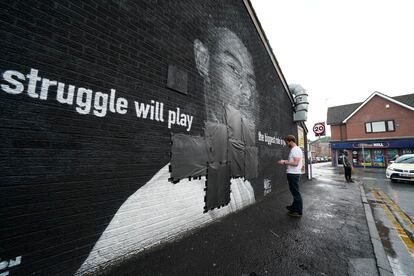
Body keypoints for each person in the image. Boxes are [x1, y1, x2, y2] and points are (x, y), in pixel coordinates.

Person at [76, 27, 258, 275]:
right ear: (202, 59)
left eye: (250, 81)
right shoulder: (168, 195)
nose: (246, 92)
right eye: (233, 69)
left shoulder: (241, 181)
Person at [277, 135, 303, 217]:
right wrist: (285, 161)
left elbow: (295, 163)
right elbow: (293, 161)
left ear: (291, 141)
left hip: (293, 174)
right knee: (294, 192)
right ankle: (293, 208)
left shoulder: (295, 150)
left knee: (296, 193)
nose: (286, 144)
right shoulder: (295, 149)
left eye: (287, 142)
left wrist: (284, 162)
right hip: (293, 173)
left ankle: (298, 211)